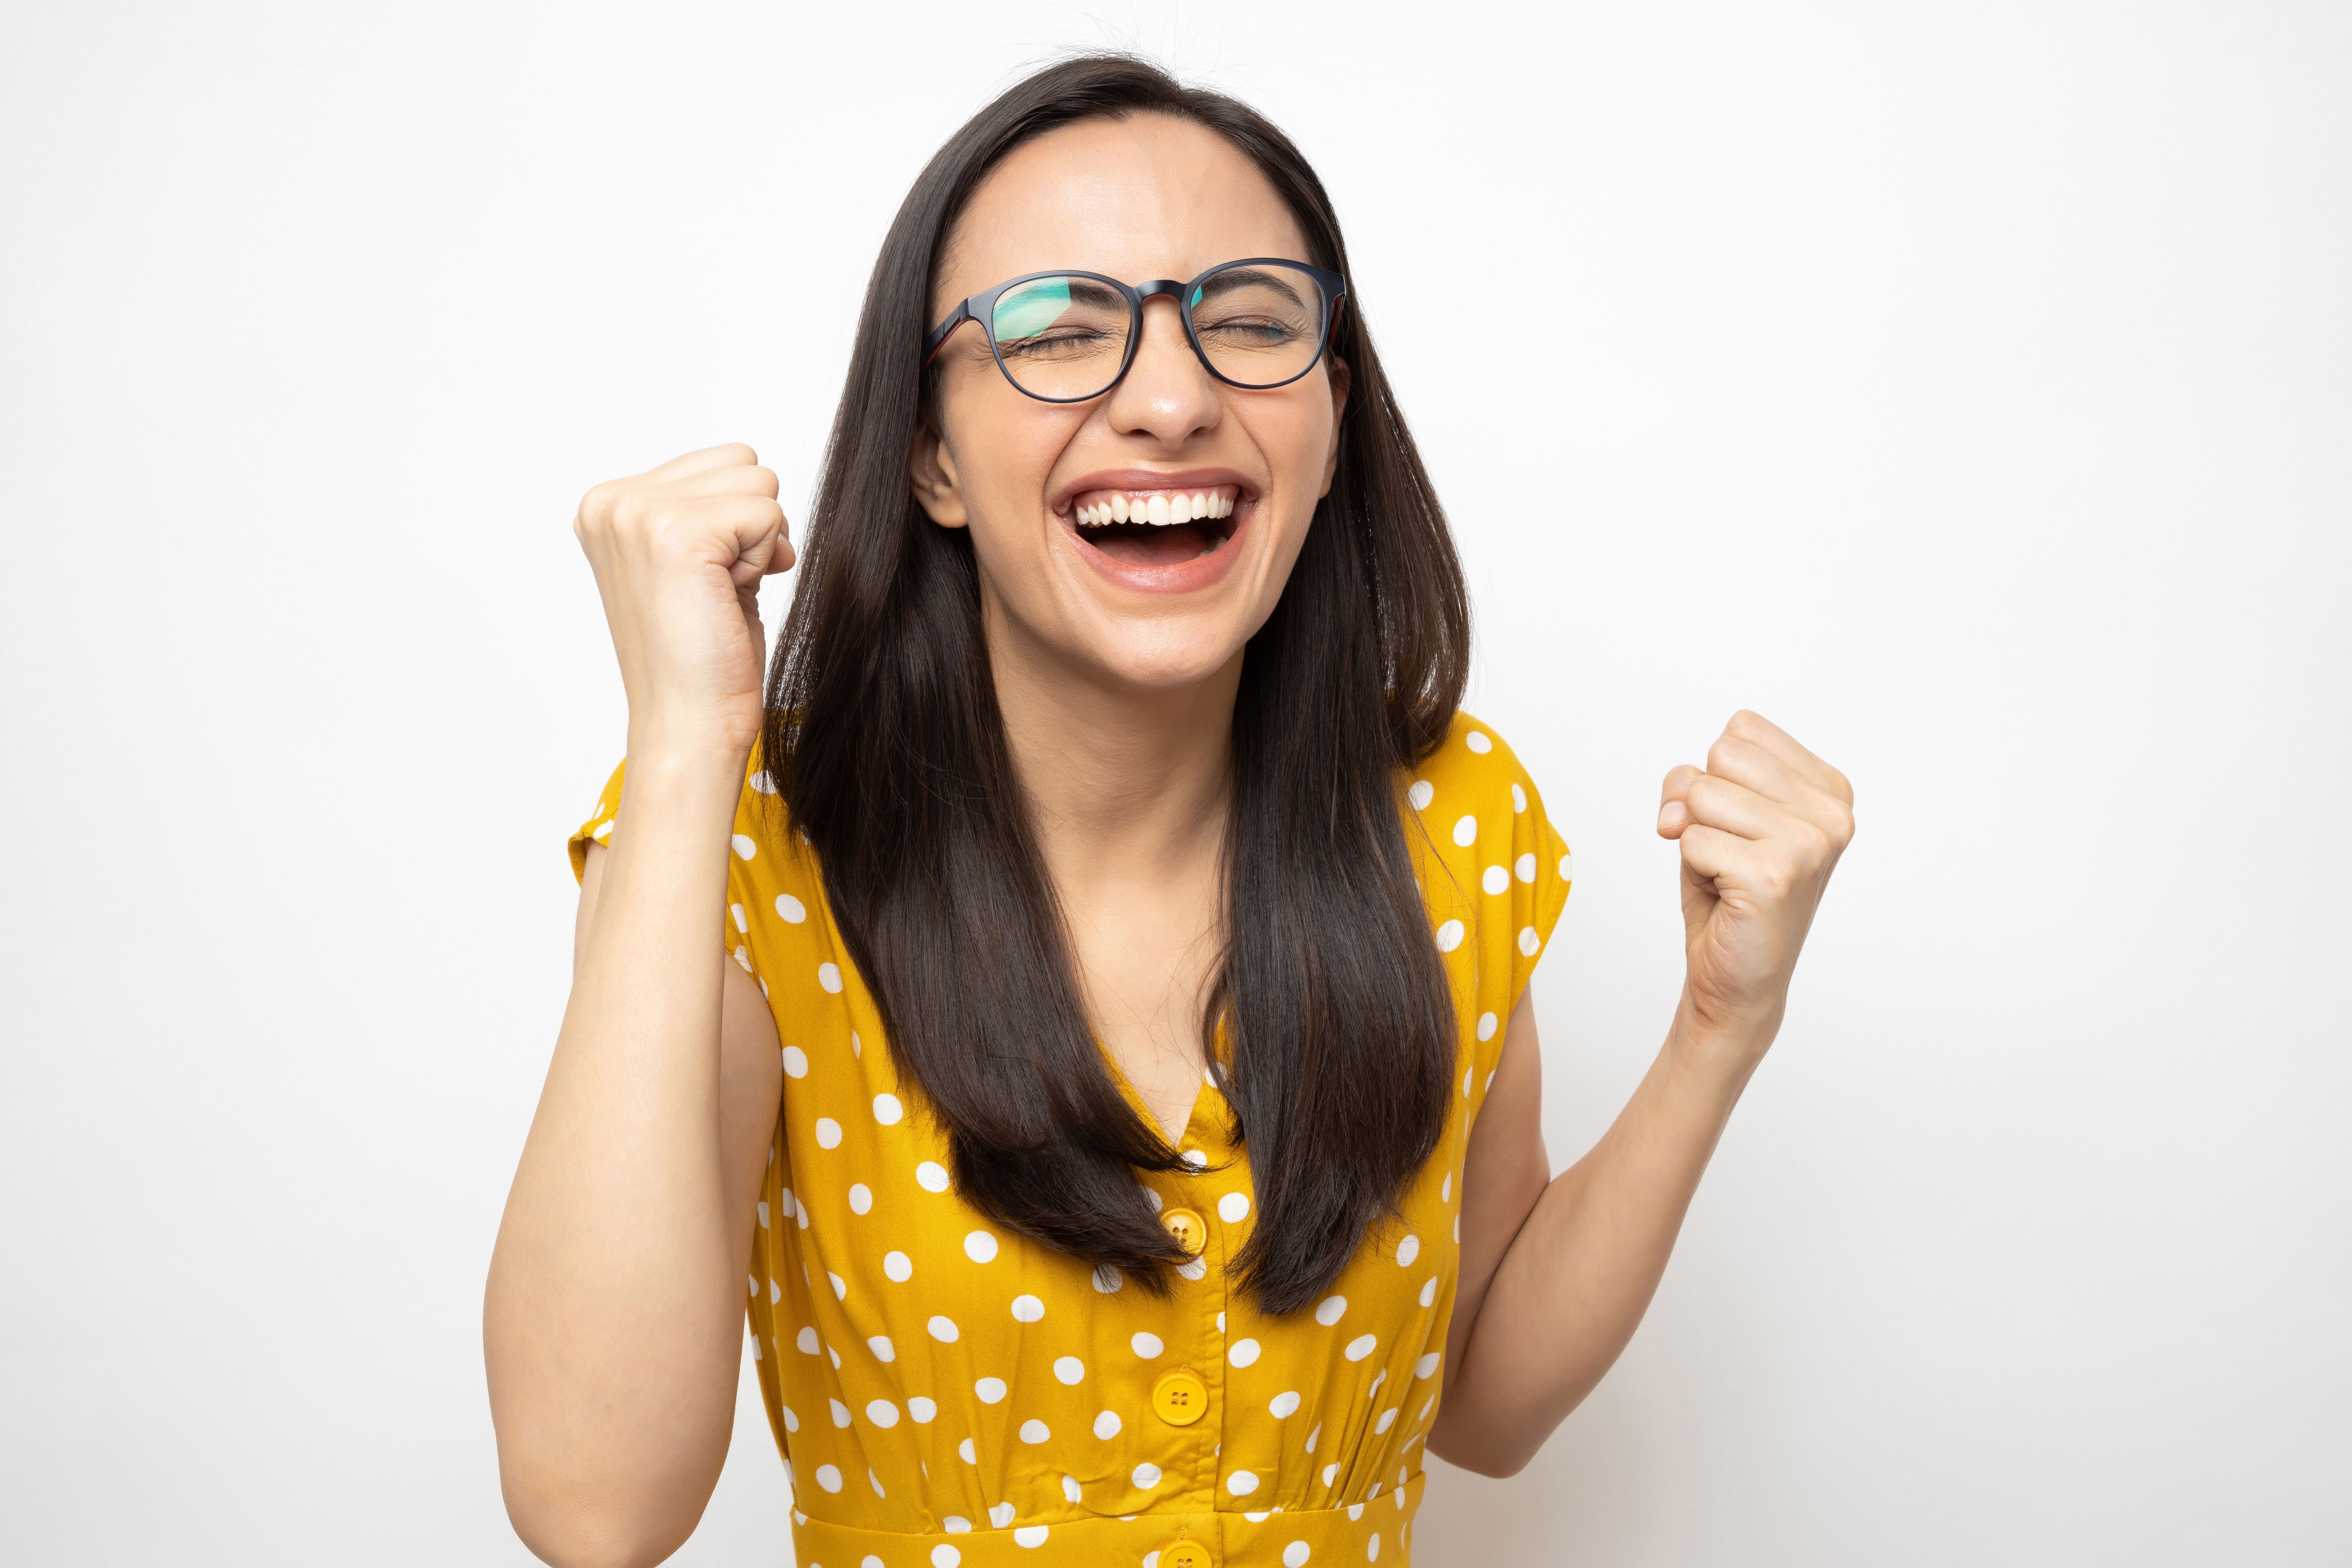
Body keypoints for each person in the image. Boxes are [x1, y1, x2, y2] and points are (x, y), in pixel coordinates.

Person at [483, 53, 1854, 1568]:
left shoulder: (1450, 826)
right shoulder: (746, 843)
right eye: (1060, 333)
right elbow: (593, 1505)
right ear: (931, 455)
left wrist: (1720, 1030)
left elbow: (1484, 1401)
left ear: (1330, 421)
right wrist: (690, 740)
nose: (1173, 398)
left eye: (1251, 322)